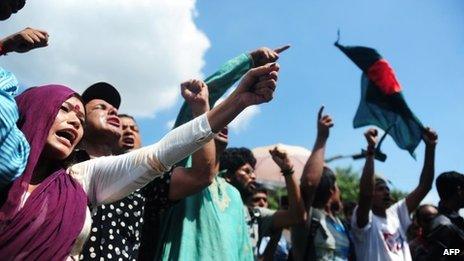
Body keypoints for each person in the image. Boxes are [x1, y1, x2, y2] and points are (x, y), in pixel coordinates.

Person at [0, 61, 280, 259]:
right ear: (34, 111)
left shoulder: (81, 179)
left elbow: (161, 153)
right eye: (64, 109)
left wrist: (237, 102)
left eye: (79, 117)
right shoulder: (8, 170)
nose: (74, 121)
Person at [80, 79, 219, 260]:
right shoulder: (62, 167)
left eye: (134, 129)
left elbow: (201, 175)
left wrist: (201, 110)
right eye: (100, 107)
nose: (113, 111)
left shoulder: (146, 179)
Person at [351, 127, 437, 261]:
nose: (386, 192)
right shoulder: (364, 220)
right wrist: (371, 152)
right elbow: (365, 194)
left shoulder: (396, 215)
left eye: (387, 188)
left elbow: (425, 186)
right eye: (380, 188)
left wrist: (430, 148)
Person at [412, 172, 464, 260]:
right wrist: (459, 251)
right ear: (459, 191)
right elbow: (440, 253)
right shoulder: (444, 225)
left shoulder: (452, 221)